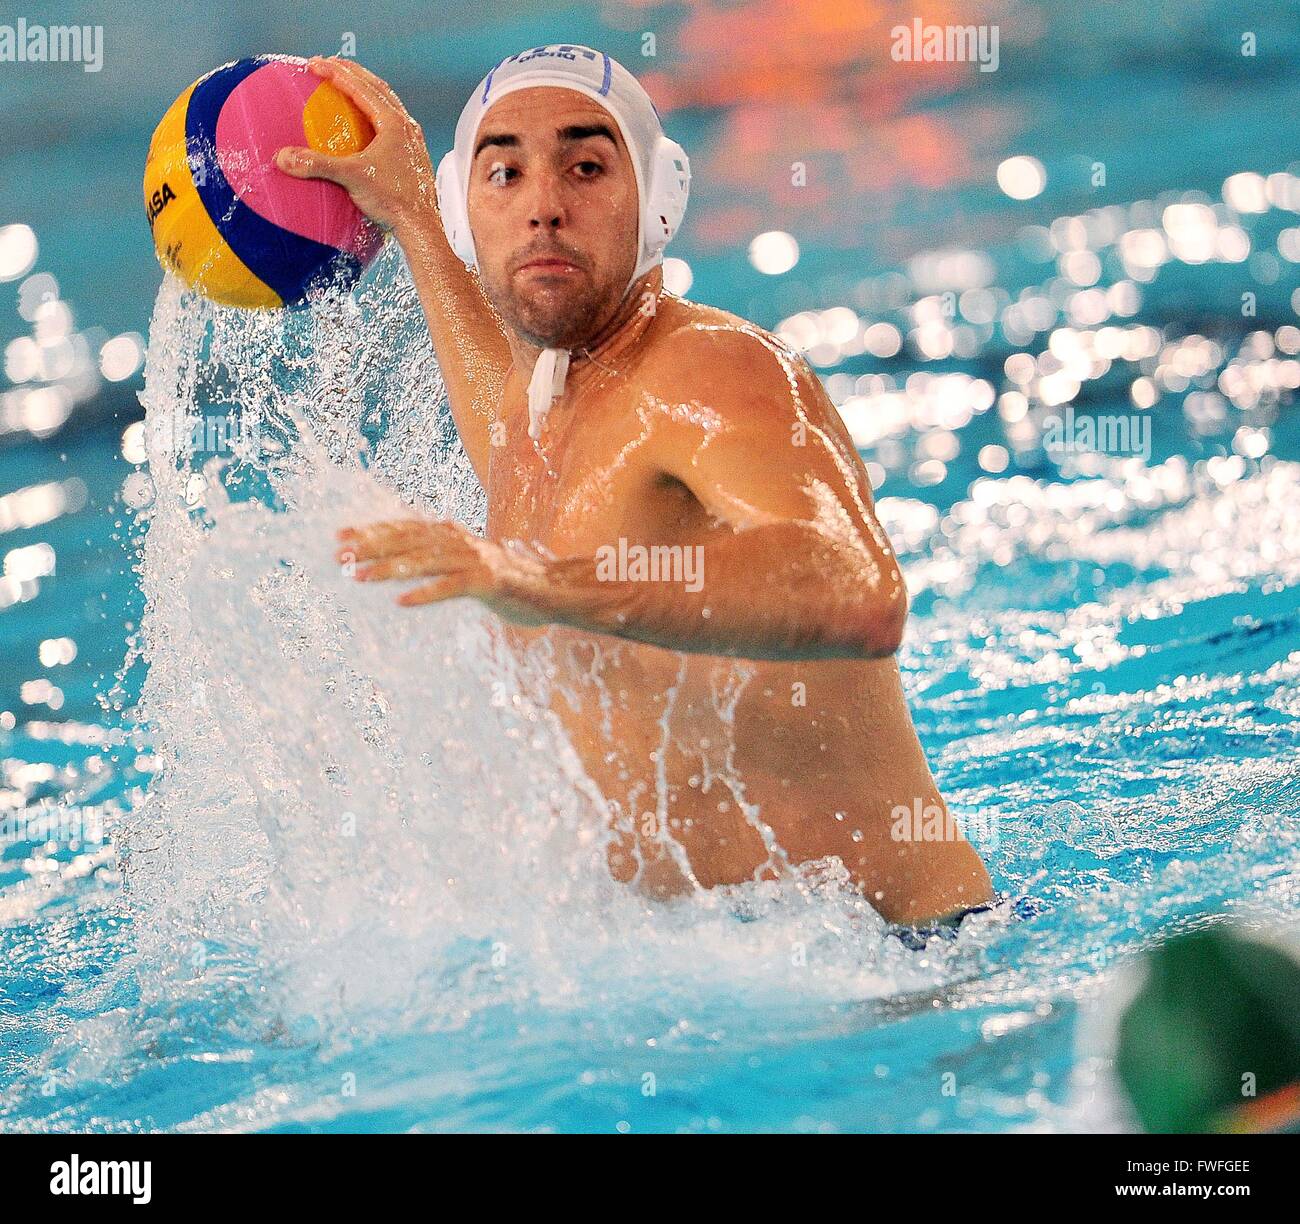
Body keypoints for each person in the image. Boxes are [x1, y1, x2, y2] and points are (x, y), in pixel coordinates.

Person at [275, 45, 993, 925]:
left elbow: (859, 590)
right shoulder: (544, 401)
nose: (543, 207)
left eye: (585, 166)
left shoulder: (715, 371)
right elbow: (504, 435)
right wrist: (416, 220)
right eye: (503, 174)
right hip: (725, 978)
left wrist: (536, 583)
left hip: (911, 968)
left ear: (656, 201)